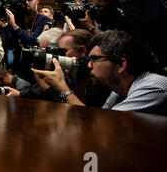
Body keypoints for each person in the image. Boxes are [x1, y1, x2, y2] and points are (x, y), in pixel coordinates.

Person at [32, 30, 167, 115]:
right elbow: (96, 119)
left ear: (120, 65)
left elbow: (102, 126)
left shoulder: (154, 87)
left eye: (94, 59)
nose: (89, 65)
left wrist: (62, 87)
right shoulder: (117, 91)